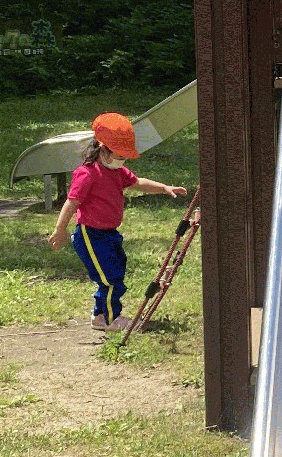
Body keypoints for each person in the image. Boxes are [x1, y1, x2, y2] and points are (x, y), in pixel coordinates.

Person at [47, 113, 189, 330]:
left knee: (115, 271)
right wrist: (60, 229)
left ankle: (100, 316)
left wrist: (163, 188)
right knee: (111, 279)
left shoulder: (116, 171)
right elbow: (72, 202)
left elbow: (138, 182)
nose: (122, 160)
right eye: (119, 155)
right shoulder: (87, 174)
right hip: (90, 235)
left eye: (125, 157)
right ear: (103, 148)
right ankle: (111, 319)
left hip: (110, 234)